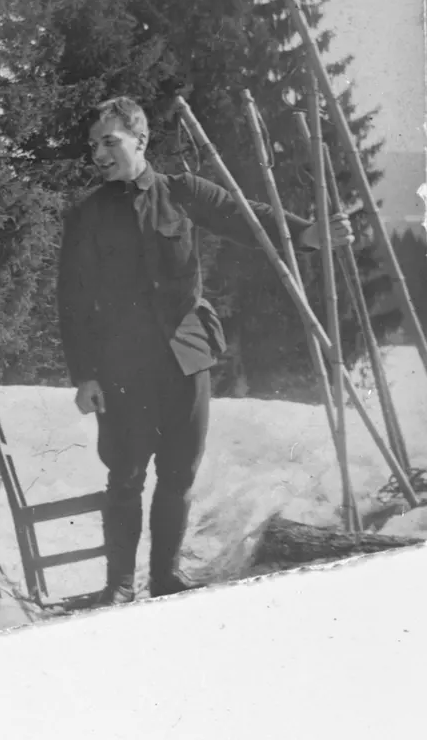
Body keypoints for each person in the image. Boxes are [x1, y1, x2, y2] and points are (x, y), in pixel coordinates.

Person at [57, 96, 354, 605]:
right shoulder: (85, 216)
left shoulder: (182, 193)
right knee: (125, 474)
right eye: (93, 145)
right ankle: (120, 586)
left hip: (185, 357)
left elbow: (251, 220)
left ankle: (167, 578)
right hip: (121, 366)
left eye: (110, 142)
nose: (99, 154)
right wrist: (84, 375)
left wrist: (311, 233)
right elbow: (72, 301)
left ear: (141, 141)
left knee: (178, 473)